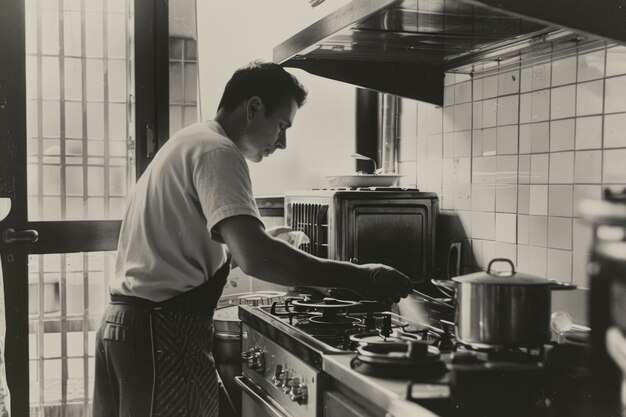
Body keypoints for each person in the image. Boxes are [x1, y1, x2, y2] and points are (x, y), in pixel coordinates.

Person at [93, 60, 412, 417]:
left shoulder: (193, 140)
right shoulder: (219, 151)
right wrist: (361, 277)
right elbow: (257, 258)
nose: (283, 142)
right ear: (253, 108)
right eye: (280, 125)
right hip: (160, 334)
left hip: (130, 329)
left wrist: (255, 243)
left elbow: (189, 246)